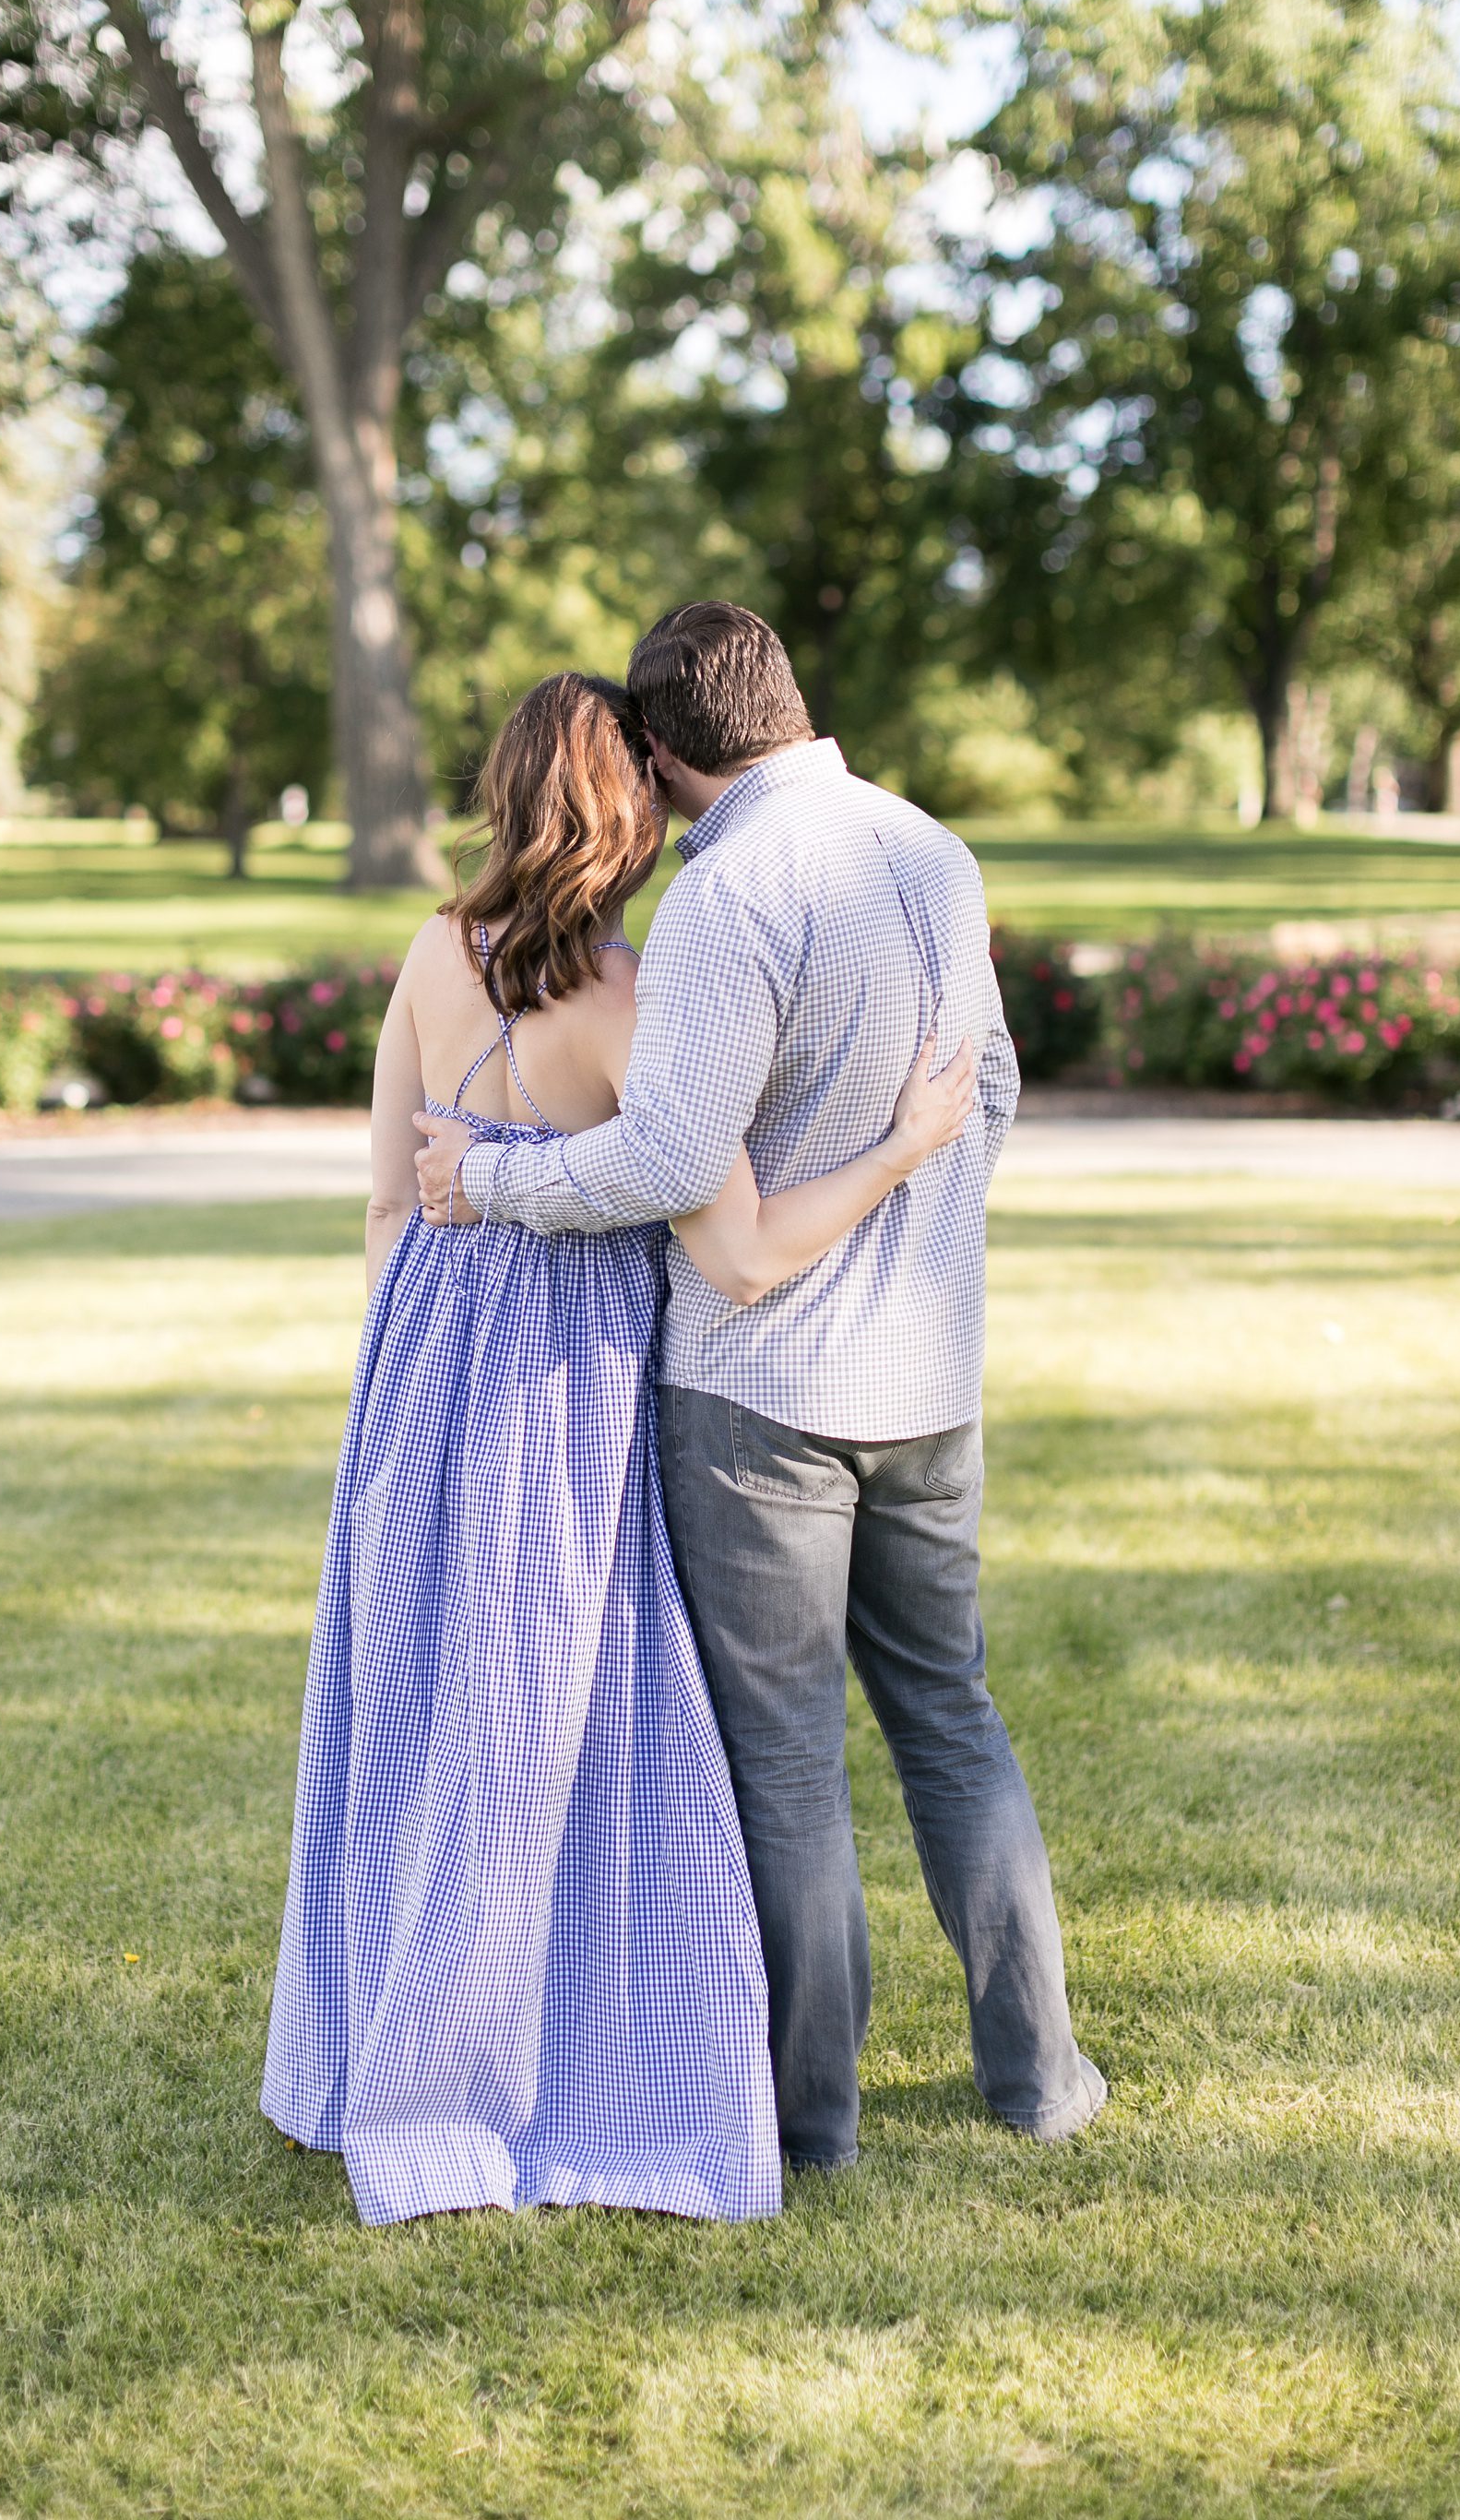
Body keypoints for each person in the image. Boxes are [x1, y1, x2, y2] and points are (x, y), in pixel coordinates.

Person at [261, 671, 976, 2225]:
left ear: (506, 793)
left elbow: (390, 1204)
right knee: (556, 1747)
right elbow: (746, 1250)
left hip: (416, 1382)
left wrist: (403, 1379)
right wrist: (910, 1144)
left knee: (408, 1728)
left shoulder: (428, 956)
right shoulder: (637, 1004)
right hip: (565, 1405)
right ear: (632, 812)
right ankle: (533, 2070)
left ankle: (366, 2060)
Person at [417, 604, 1106, 2172]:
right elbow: (986, 1091)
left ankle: (809, 2126)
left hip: (761, 1395)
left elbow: (669, 1166)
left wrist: (492, 1187)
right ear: (788, 703)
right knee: (953, 1719)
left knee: (786, 1763)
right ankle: (1041, 2081)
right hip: (931, 1372)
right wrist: (918, 1214)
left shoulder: (732, 894)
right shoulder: (934, 853)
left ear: (665, 753)